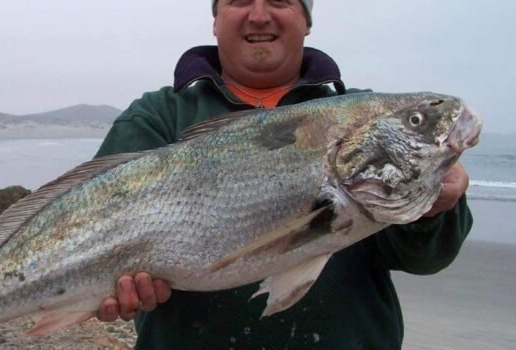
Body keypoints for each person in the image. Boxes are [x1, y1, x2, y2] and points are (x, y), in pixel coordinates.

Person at [93, 0, 472, 349]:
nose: (259, 14)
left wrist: (436, 208)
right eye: (239, 0)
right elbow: (91, 225)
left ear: (306, 20)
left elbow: (427, 259)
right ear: (215, 19)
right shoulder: (157, 117)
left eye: (281, 0)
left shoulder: (362, 116)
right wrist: (109, 292)